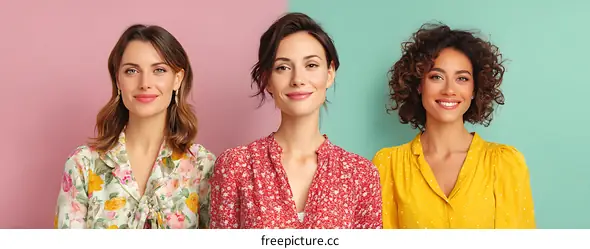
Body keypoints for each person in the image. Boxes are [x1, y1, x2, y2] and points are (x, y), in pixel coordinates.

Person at [209, 12, 382, 229]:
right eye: (282, 67)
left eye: (311, 65)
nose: (298, 79)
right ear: (267, 80)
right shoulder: (235, 166)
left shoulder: (361, 174)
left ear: (329, 74)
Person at [374, 23, 535, 229]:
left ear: (475, 89)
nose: (449, 90)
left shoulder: (504, 163)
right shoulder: (388, 165)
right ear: (419, 84)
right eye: (437, 77)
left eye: (462, 78)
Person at [54, 24, 215, 229]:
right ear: (118, 79)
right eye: (131, 70)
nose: (145, 83)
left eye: (159, 70)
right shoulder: (82, 164)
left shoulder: (203, 165)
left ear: (177, 79)